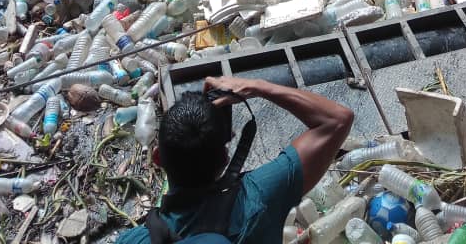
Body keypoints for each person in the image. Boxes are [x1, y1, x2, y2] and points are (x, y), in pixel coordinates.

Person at [116, 75, 352, 244]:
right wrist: (258, 87)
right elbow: (337, 120)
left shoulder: (134, 239)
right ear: (225, 157)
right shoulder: (259, 196)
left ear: (157, 158)